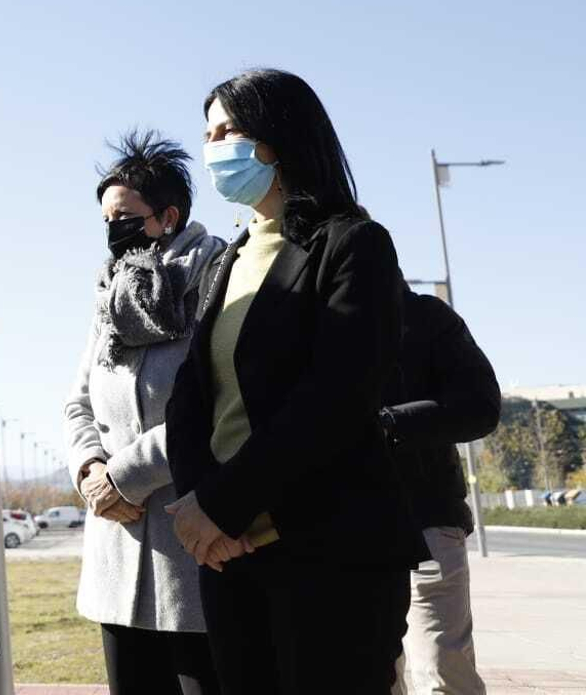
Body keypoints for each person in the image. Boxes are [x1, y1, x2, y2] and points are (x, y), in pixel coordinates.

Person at [164, 69, 429, 695]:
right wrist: (202, 509)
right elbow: (192, 398)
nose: (213, 147)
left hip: (328, 550)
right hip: (233, 555)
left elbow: (334, 398)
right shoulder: (225, 262)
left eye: (227, 129)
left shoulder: (354, 245)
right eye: (207, 134)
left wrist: (225, 505)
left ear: (277, 138)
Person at [64, 131, 225, 695]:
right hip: (117, 545)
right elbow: (79, 399)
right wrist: (89, 471)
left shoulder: (217, 276)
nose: (114, 231)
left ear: (169, 216)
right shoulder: (112, 291)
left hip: (193, 543)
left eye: (126, 217)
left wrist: (125, 477)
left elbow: (213, 404)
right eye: (106, 218)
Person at [385, 288, 500, 695]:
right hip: (342, 532)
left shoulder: (425, 316)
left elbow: (481, 405)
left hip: (426, 522)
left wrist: (389, 424)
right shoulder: (313, 322)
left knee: (441, 672)